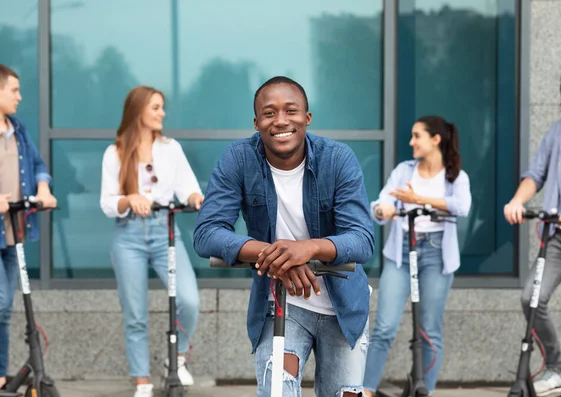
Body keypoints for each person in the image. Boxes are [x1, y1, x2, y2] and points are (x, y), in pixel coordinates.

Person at [193, 76, 374, 396]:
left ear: (307, 118)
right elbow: (207, 233)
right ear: (256, 122)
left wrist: (309, 248)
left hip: (344, 307)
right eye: (269, 113)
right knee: (279, 390)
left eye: (291, 111)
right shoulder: (238, 159)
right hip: (280, 304)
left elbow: (362, 238)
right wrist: (279, 256)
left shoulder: (337, 158)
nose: (280, 121)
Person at [100, 85, 204, 397]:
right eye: (156, 107)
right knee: (135, 313)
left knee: (189, 299)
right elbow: (107, 203)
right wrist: (129, 198)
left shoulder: (171, 148)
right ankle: (141, 380)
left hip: (165, 232)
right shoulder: (115, 152)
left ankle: (179, 357)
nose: (162, 113)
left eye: (162, 107)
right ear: (138, 111)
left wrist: (196, 197)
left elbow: (188, 188)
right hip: (128, 235)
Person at [363, 115, 472, 396]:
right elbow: (383, 199)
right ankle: (364, 390)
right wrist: (381, 209)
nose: (411, 142)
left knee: (429, 330)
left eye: (417, 136)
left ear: (436, 139)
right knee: (384, 327)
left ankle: (425, 390)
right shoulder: (404, 171)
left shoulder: (455, 176)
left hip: (436, 254)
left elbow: (461, 206)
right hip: (400, 253)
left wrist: (420, 200)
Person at [504, 65, 561, 397]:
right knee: (532, 297)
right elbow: (535, 174)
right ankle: (556, 366)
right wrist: (516, 200)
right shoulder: (560, 131)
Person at [0, 64, 57, 392]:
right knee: (0, 300)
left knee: (4, 311)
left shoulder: (18, 129)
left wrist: (43, 189)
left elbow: (37, 165)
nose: (19, 96)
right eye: (14, 90)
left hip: (13, 231)